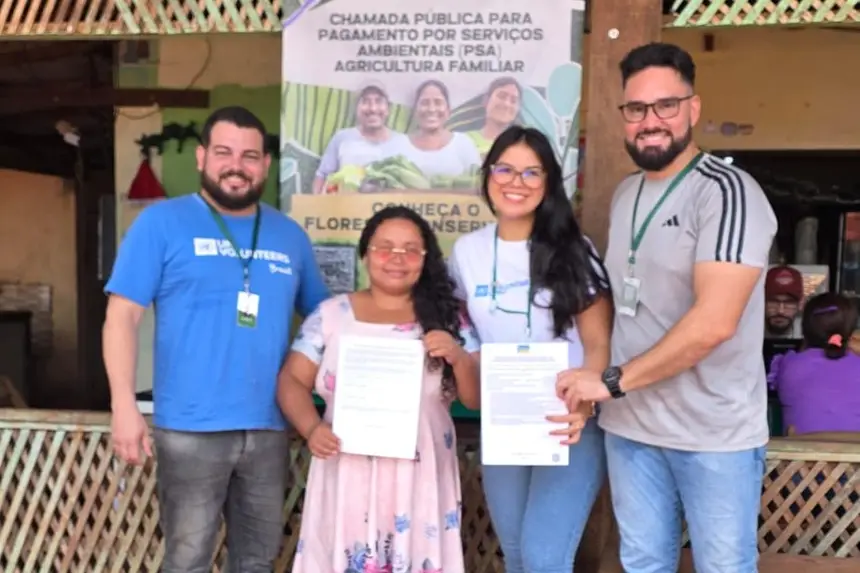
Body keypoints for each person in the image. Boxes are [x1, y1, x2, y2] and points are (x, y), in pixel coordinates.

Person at [557, 42, 778, 573]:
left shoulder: (728, 193)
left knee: (723, 567)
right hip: (632, 429)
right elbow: (621, 307)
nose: (650, 121)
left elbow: (714, 323)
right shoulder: (626, 194)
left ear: (693, 109)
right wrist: (596, 383)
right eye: (636, 109)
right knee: (643, 563)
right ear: (623, 116)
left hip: (712, 434)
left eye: (666, 106)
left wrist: (609, 382)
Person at [103, 106, 329, 572]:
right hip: (189, 428)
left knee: (257, 561)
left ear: (265, 165)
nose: (237, 165)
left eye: (250, 156)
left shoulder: (289, 236)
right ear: (202, 157)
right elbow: (121, 317)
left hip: (269, 427)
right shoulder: (161, 224)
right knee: (187, 560)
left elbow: (328, 322)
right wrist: (123, 405)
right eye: (224, 152)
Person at [447, 125, 612, 573]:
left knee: (544, 559)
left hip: (567, 418)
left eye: (531, 173)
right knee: (518, 555)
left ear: (548, 183)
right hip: (505, 419)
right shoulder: (467, 251)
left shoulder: (575, 250)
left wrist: (585, 403)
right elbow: (465, 327)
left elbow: (598, 341)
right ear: (488, 175)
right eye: (505, 169)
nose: (515, 182)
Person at [279, 206, 481, 572]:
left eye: (410, 249)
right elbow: (292, 380)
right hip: (347, 466)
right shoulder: (330, 315)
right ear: (366, 254)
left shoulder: (451, 318)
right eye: (384, 247)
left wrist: (458, 355)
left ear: (425, 258)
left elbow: (476, 397)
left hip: (420, 472)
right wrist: (311, 428)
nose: (396, 259)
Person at [768, 292, 860, 434]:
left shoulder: (786, 364)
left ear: (804, 329)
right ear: (851, 332)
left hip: (801, 455)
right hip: (854, 455)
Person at [313, 81, 408, 194]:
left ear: (388, 109)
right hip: (345, 209)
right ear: (357, 109)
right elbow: (322, 175)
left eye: (378, 101)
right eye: (365, 101)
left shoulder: (402, 143)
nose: (372, 108)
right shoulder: (342, 138)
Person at [403, 79, 482, 179]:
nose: (431, 109)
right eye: (425, 103)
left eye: (438, 102)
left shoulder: (463, 143)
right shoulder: (400, 144)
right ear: (415, 110)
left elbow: (478, 182)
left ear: (448, 110)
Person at [466, 77, 522, 157]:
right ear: (486, 101)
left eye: (513, 101)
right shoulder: (465, 140)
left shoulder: (523, 144)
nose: (507, 104)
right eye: (501, 96)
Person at [765, 265, 803, 338]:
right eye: (773, 302)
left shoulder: (810, 337)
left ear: (800, 304)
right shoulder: (745, 335)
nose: (780, 311)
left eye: (789, 303)